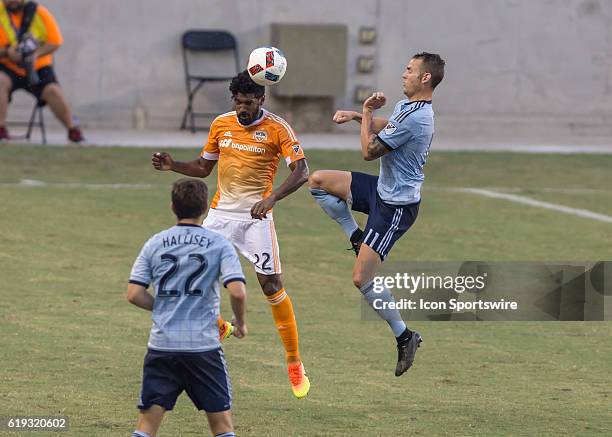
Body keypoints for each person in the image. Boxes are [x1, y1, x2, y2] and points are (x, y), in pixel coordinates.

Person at [152, 71, 311, 398]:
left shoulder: (278, 129)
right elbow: (203, 166)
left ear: (261, 100)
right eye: (237, 102)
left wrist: (272, 199)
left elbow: (302, 171)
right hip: (220, 216)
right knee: (185, 274)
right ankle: (219, 326)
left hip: (256, 218)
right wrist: (173, 165)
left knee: (271, 285)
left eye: (248, 102)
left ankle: (295, 363)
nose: (242, 108)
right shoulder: (221, 124)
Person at [308, 52, 445, 376]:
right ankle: (356, 235)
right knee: (317, 182)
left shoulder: (419, 117)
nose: (404, 74)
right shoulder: (408, 107)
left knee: (360, 279)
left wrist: (367, 111)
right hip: (382, 189)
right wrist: (359, 116)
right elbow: (388, 126)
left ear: (425, 78)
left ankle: (405, 336)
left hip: (396, 207)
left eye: (410, 70)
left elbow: (369, 151)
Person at [127, 178, 247, 437]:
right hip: (203, 348)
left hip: (163, 347)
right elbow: (237, 291)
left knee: (146, 426)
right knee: (222, 427)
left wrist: (165, 307)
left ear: (173, 207)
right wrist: (240, 323)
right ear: (205, 206)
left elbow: (134, 293)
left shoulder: (156, 243)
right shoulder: (219, 244)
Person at [0, 0, 83, 142]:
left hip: (37, 66)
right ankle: (1, 129)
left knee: (53, 91)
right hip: (8, 66)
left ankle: (73, 130)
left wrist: (36, 54)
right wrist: (8, 52)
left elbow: (55, 41)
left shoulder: (38, 12)